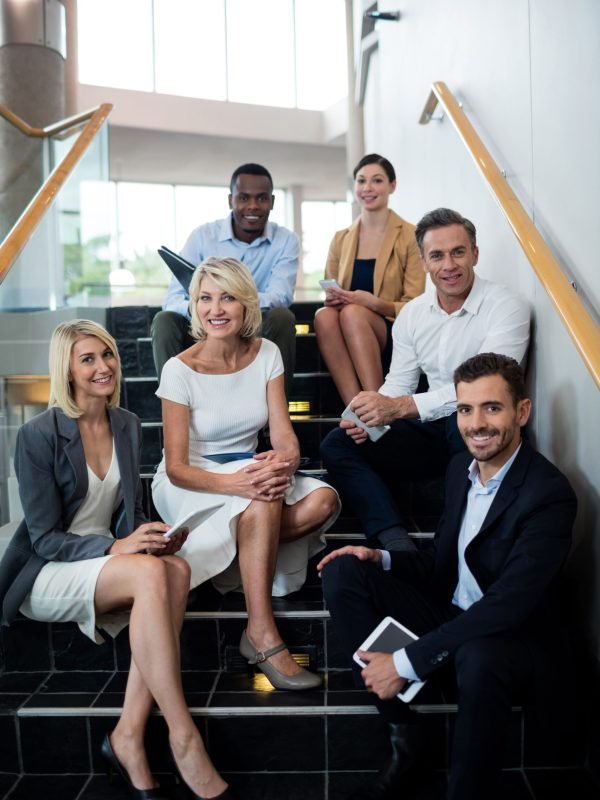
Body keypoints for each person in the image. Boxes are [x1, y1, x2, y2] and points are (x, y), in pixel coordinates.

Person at [319, 353, 577, 800]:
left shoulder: (548, 494)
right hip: (453, 616)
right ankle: (403, 730)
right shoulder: (461, 469)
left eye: (491, 408)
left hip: (514, 642)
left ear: (522, 411)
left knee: (478, 655)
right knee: (345, 570)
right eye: (465, 409)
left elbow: (509, 606)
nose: (476, 424)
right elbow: (442, 562)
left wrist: (405, 661)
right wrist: (380, 558)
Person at [0, 320, 234, 800]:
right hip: (50, 570)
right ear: (65, 369)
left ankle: (128, 735)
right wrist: (115, 548)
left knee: (177, 567)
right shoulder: (37, 436)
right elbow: (45, 538)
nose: (104, 366)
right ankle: (182, 735)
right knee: (151, 573)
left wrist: (149, 537)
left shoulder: (126, 423)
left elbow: (127, 511)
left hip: (109, 559)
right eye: (87, 359)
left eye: (107, 355)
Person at [151, 256, 340, 691]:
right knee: (262, 497)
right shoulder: (178, 370)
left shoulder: (267, 353)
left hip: (248, 468)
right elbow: (177, 467)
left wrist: (284, 461)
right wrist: (238, 483)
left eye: (227, 297)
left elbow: (283, 435)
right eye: (204, 298)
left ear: (245, 303)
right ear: (194, 306)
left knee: (324, 500)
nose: (215, 309)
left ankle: (229, 551)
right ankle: (260, 632)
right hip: (194, 478)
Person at [320, 207, 531, 552]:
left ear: (475, 254)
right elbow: (399, 383)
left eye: (458, 252)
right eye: (437, 255)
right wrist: (369, 415)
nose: (448, 265)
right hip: (429, 428)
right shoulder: (413, 314)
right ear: (423, 262)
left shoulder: (507, 306)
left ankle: (454, 543)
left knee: (465, 417)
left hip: (480, 425)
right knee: (337, 442)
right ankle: (393, 538)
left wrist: (399, 406)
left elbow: (486, 390)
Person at [152, 162, 299, 397]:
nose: (252, 206)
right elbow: (172, 300)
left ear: (272, 202)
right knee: (164, 321)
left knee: (282, 317)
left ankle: (276, 411)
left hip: (254, 323)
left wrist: (234, 304)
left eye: (261, 198)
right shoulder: (202, 237)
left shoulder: (286, 240)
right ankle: (174, 403)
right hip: (205, 323)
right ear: (230, 200)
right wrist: (210, 310)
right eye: (244, 198)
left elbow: (280, 296)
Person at [314, 154, 424, 407]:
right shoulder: (341, 238)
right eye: (361, 181)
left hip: (392, 327)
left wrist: (372, 303)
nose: (368, 188)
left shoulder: (410, 235)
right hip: (348, 324)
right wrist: (333, 298)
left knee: (354, 312)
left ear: (392, 186)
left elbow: (414, 305)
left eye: (377, 180)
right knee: (323, 315)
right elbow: (329, 288)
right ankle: (356, 408)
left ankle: (379, 403)